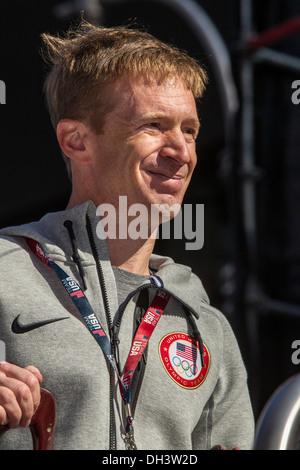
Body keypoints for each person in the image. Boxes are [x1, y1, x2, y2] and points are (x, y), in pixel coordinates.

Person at [0, 21, 254, 450]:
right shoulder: (7, 272)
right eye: (153, 125)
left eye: (189, 130)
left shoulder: (206, 325)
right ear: (77, 141)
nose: (182, 153)